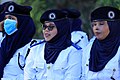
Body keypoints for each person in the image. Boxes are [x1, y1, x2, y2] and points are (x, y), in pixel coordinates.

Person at [24, 9, 82, 80]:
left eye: (51, 27)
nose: (46, 30)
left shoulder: (73, 51)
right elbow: (28, 76)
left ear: (61, 28)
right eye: (44, 27)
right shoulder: (35, 49)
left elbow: (72, 77)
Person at [82, 6, 120, 80]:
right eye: (94, 25)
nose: (96, 28)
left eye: (101, 24)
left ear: (113, 25)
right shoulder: (89, 47)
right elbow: (83, 76)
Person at [0, 1, 36, 79]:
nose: (6, 22)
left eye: (11, 18)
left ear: (22, 23)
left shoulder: (32, 48)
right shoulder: (4, 43)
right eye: (6, 18)